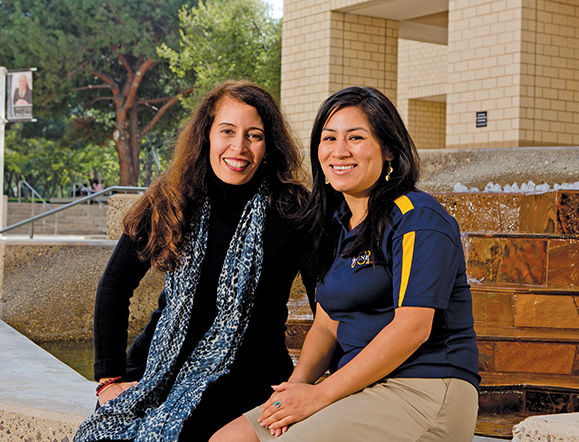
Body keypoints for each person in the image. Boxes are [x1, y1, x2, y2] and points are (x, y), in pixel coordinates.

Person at [211, 86, 480, 442]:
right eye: (329, 138)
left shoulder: (419, 219)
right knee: (228, 439)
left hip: (424, 387)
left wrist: (320, 395)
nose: (339, 151)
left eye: (356, 137)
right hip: (359, 387)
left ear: (387, 149)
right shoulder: (337, 223)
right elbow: (326, 324)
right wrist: (293, 391)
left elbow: (413, 328)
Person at [74, 80, 315, 442]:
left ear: (268, 145)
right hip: (157, 364)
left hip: (245, 373)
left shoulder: (292, 208)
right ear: (206, 135)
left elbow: (329, 309)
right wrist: (109, 378)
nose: (239, 147)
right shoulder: (171, 195)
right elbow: (114, 286)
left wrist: (311, 384)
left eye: (254, 135)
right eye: (227, 131)